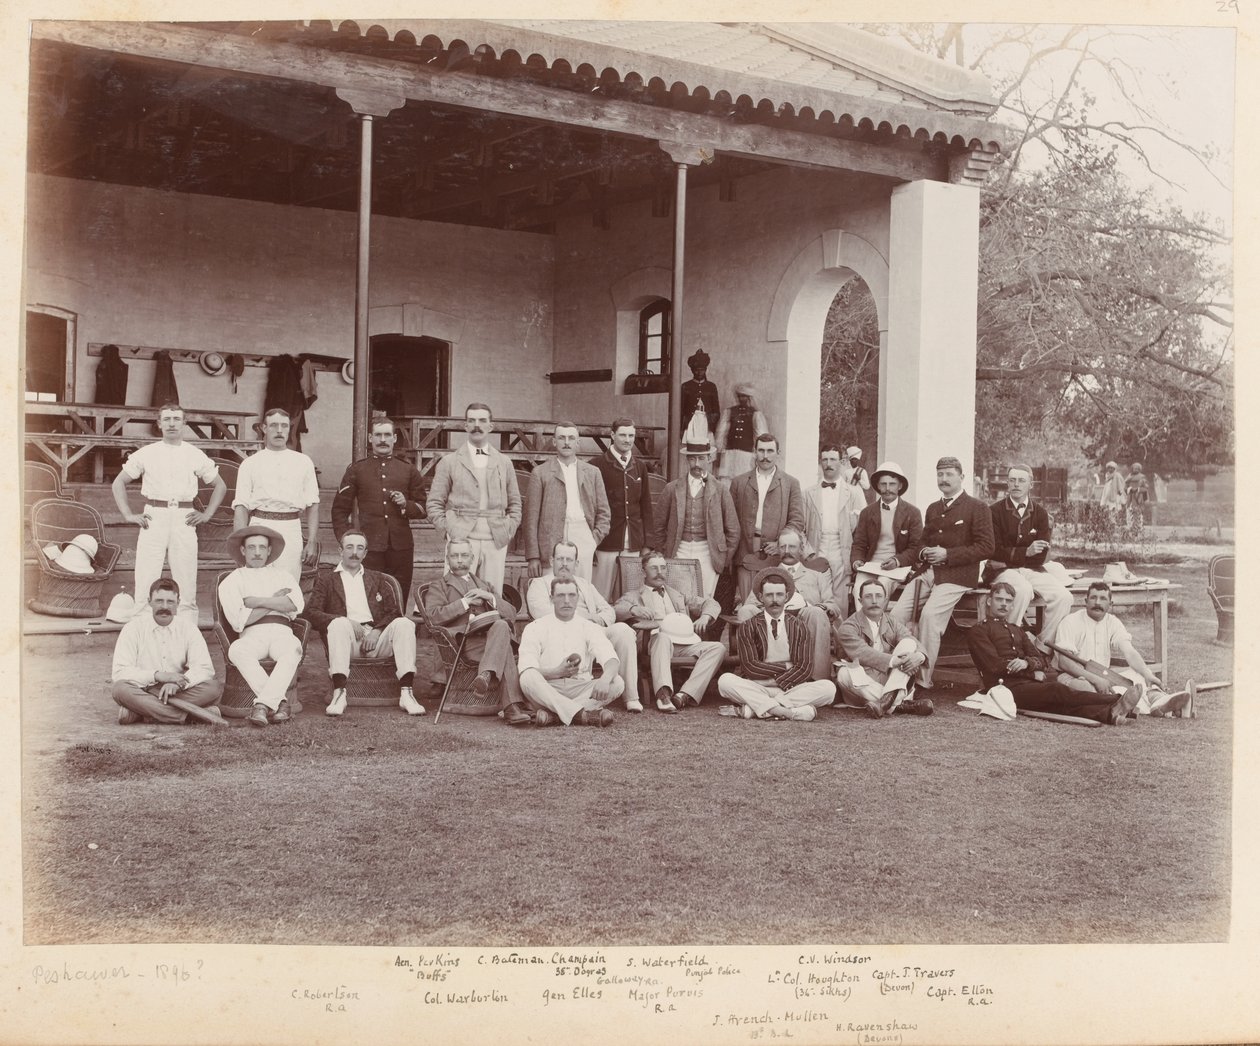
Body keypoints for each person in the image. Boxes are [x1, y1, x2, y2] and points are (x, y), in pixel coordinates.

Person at [968, 582, 1143, 726]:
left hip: (1028, 684)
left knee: (1058, 705)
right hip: (1004, 688)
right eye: (999, 599)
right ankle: (1116, 700)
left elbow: (1041, 660)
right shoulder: (978, 631)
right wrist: (1027, 668)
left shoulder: (1016, 630)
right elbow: (993, 665)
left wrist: (1028, 663)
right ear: (989, 601)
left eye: (1008, 601)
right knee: (1057, 690)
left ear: (1013, 604)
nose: (1004, 604)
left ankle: (1110, 714)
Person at [111, 402, 227, 619]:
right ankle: (142, 622)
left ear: (184, 423)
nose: (171, 424)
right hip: (154, 515)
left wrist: (207, 514)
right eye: (167, 419)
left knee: (185, 572)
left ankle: (186, 623)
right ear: (159, 423)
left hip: (184, 517)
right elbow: (118, 483)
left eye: (176, 419)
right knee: (147, 571)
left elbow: (220, 485)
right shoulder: (147, 453)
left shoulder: (194, 454)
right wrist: (128, 514)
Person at [892, 456, 994, 691]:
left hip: (958, 577)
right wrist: (924, 552)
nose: (944, 479)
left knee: (929, 618)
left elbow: (987, 547)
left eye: (949, 474)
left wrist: (948, 554)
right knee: (895, 616)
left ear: (961, 477)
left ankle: (921, 680)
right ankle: (893, 672)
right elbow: (921, 545)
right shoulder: (933, 508)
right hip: (928, 573)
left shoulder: (977, 507)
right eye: (940, 474)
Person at [302, 530, 425, 718]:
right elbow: (311, 613)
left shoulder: (377, 578)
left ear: (365, 553)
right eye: (349, 547)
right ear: (340, 551)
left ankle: (407, 693)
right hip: (347, 641)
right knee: (338, 624)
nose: (354, 552)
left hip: (377, 640)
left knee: (405, 623)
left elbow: (394, 611)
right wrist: (345, 621)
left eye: (360, 548)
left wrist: (377, 631)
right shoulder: (327, 580)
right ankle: (339, 693)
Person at [423, 538, 530, 726]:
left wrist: (489, 597)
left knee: (502, 626)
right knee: (503, 643)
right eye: (455, 556)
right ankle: (512, 707)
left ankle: (486, 675)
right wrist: (464, 603)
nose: (460, 560)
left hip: (490, 641)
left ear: (472, 558)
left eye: (464, 555)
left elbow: (511, 614)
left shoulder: (484, 585)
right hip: (461, 645)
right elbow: (432, 617)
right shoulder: (439, 586)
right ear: (447, 559)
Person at [526, 540, 642, 713]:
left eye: (569, 560)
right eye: (560, 559)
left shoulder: (585, 585)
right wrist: (587, 617)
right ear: (552, 561)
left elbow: (608, 611)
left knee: (623, 631)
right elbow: (544, 613)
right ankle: (578, 711)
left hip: (594, 631)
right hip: (562, 630)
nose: (564, 564)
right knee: (528, 677)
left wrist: (597, 622)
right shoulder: (539, 584)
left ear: (576, 563)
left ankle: (631, 697)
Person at [425, 403, 522, 595]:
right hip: (462, 537)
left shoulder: (504, 462)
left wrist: (509, 529)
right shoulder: (450, 461)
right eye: (472, 421)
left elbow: (515, 503)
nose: (477, 425)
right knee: (457, 592)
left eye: (482, 421)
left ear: (490, 426)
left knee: (491, 594)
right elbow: (434, 502)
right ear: (465, 425)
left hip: (495, 538)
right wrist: (449, 531)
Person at [1053, 582, 1190, 717]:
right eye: (1093, 598)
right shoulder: (1071, 622)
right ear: (1086, 601)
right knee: (1087, 689)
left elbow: (1129, 652)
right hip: (1074, 675)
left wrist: (1147, 674)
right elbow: (1064, 663)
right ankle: (1153, 708)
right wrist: (1094, 680)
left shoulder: (1112, 622)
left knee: (1137, 675)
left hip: (1104, 675)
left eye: (1103, 599)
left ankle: (1158, 701)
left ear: (1110, 605)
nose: (1097, 603)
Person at [717, 568, 836, 720]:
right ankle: (788, 712)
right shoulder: (749, 626)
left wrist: (778, 680)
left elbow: (805, 668)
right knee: (725, 681)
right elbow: (750, 666)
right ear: (761, 597)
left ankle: (757, 709)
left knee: (828, 688)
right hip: (759, 686)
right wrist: (785, 667)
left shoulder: (799, 627)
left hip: (791, 687)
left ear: (786, 597)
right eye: (769, 595)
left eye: (779, 595)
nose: (775, 600)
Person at [330, 417, 427, 602]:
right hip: (369, 546)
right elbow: (339, 510)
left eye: (387, 435)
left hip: (401, 547)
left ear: (394, 438)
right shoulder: (357, 470)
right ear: (370, 438)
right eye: (378, 435)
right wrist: (346, 541)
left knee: (398, 596)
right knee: (369, 597)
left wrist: (406, 504)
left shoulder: (408, 470)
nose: (383, 439)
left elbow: (423, 509)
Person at [614, 549, 724, 713]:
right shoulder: (634, 596)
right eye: (654, 568)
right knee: (662, 637)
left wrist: (705, 616)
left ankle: (686, 694)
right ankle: (663, 694)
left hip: (684, 643)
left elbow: (711, 603)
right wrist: (633, 609)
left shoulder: (678, 595)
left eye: (663, 568)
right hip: (652, 643)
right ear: (643, 571)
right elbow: (616, 609)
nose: (660, 573)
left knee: (718, 648)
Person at [217, 525, 305, 728]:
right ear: (242, 550)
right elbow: (239, 620)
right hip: (252, 634)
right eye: (251, 547)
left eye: (262, 548)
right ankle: (280, 703)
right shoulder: (232, 581)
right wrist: (275, 601)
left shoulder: (284, 576)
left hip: (282, 631)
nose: (257, 553)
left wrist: (255, 601)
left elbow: (294, 605)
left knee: (293, 649)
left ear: (269, 551)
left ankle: (263, 706)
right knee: (237, 650)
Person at [111, 577, 224, 725]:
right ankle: (190, 716)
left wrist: (178, 685)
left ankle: (142, 713)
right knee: (120, 689)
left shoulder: (188, 629)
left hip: (176, 691)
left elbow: (204, 668)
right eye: (159, 601)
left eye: (170, 602)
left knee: (214, 688)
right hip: (144, 689)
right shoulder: (133, 628)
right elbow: (119, 672)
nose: (164, 606)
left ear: (178, 603)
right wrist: (158, 676)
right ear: (149, 601)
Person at [516, 577, 624, 727]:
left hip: (580, 688)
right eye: (560, 595)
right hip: (547, 688)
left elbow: (611, 659)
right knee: (527, 678)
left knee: (617, 682)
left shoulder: (589, 626)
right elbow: (526, 669)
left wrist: (605, 679)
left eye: (571, 595)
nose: (567, 600)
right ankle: (580, 714)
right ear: (551, 598)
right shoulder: (535, 627)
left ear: (578, 598)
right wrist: (556, 672)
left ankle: (554, 716)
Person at [734, 528, 837, 681]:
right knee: (746, 610)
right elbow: (750, 604)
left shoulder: (816, 576)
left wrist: (814, 607)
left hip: (805, 624)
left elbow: (833, 606)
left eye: (792, 547)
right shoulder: (767, 575)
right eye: (783, 547)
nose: (787, 551)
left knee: (816, 613)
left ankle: (817, 679)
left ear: (801, 549)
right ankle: (754, 674)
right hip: (772, 623)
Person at [987, 463, 1073, 644]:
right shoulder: (994, 511)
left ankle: (1042, 648)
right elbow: (993, 550)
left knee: (1063, 597)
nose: (1016, 485)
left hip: (1031, 570)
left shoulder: (1040, 513)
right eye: (1012, 480)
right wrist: (1026, 551)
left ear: (1030, 485)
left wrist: (1017, 556)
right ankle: (1007, 645)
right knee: (1022, 590)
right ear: (1007, 484)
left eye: (1021, 481)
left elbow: (1041, 555)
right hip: (1001, 571)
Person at [233, 408, 320, 583]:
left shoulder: (303, 462)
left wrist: (311, 541)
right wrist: (239, 543)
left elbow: (313, 504)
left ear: (289, 429)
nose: (279, 431)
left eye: (284, 426)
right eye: (273, 426)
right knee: (256, 581)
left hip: (291, 527)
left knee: (288, 582)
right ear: (264, 428)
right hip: (259, 525)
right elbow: (241, 506)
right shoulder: (250, 463)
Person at [652, 438, 740, 599]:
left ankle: (701, 625)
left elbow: (733, 530)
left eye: (701, 458)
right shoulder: (672, 488)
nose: (696, 463)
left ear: (709, 459)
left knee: (704, 597)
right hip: (679, 549)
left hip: (708, 551)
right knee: (677, 596)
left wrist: (722, 558)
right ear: (687, 460)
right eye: (692, 458)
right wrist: (665, 550)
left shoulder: (720, 490)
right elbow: (658, 525)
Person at [524, 421, 611, 582]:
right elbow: (531, 518)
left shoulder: (592, 472)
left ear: (578, 443)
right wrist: (533, 556)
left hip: (583, 533)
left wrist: (593, 539)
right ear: (554, 442)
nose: (566, 442)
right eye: (561, 438)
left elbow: (604, 512)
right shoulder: (540, 472)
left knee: (582, 585)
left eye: (571, 438)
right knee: (552, 585)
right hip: (551, 537)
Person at [835, 579, 932, 718]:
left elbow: (911, 639)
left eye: (879, 596)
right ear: (860, 600)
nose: (874, 601)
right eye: (868, 596)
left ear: (885, 600)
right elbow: (863, 653)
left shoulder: (891, 621)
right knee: (844, 673)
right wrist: (894, 661)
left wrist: (919, 657)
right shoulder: (848, 626)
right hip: (863, 683)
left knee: (909, 644)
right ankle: (900, 704)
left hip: (890, 677)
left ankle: (884, 704)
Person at [728, 433, 805, 600]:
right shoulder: (739, 482)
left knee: (772, 600)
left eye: (770, 451)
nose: (765, 456)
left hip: (775, 553)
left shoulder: (791, 483)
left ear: (778, 453)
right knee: (747, 603)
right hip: (745, 551)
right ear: (754, 451)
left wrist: (780, 543)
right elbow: (730, 520)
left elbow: (797, 520)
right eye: (761, 450)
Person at [591, 417, 656, 601]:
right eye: (622, 435)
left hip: (633, 543)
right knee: (600, 595)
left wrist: (647, 544)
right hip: (606, 542)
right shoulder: (596, 465)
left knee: (630, 596)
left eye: (631, 435)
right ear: (612, 435)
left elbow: (646, 506)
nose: (627, 440)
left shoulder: (640, 466)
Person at [804, 444, 867, 608]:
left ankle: (840, 634)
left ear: (842, 462)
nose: (828, 464)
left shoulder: (853, 493)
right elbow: (799, 528)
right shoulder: (808, 493)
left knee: (840, 599)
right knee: (816, 596)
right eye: (824, 459)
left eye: (833, 459)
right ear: (820, 462)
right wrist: (808, 553)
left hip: (842, 548)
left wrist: (856, 557)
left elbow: (863, 528)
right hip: (817, 546)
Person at [849, 460, 923, 599]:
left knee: (879, 589)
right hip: (870, 566)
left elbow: (916, 547)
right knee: (859, 589)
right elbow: (859, 544)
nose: (888, 488)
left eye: (892, 484)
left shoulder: (912, 513)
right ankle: (863, 621)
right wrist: (857, 561)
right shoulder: (867, 512)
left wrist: (897, 561)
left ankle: (876, 621)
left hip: (897, 569)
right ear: (877, 486)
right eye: (883, 484)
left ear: (900, 486)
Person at [714, 382, 768, 483]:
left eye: (744, 396)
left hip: (746, 455)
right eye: (740, 396)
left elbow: (760, 436)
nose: (742, 399)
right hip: (729, 453)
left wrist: (757, 454)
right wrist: (719, 451)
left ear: (749, 398)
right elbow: (721, 434)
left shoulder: (756, 414)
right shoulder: (729, 412)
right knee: (726, 481)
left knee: (744, 482)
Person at [679, 349, 720, 438]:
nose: (699, 372)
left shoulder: (711, 386)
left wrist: (712, 422)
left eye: (702, 370)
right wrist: (681, 428)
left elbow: (716, 409)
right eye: (696, 370)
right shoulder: (685, 386)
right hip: (690, 422)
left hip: (706, 422)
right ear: (692, 371)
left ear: (705, 370)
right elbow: (681, 410)